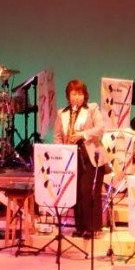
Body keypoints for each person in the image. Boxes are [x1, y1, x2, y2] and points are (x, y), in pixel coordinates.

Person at [53, 79, 111, 238]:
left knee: (88, 192)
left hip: (90, 157)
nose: (76, 97)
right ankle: (80, 226)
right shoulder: (62, 113)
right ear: (68, 96)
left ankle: (92, 228)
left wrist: (82, 135)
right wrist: (61, 151)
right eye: (73, 94)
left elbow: (100, 128)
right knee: (76, 192)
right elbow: (57, 136)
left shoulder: (92, 109)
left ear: (85, 95)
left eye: (80, 94)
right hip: (71, 157)